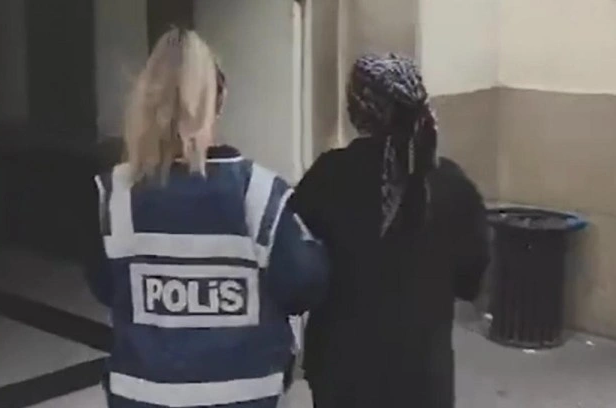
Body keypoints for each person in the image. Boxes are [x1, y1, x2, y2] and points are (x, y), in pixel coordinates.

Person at [83, 28, 328, 408]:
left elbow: (104, 285)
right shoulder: (258, 191)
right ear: (220, 97)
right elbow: (302, 285)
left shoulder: (116, 193)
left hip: (141, 397)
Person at [288, 54, 489, 408]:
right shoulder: (453, 184)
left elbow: (298, 273)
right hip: (424, 380)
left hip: (342, 376)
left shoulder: (327, 178)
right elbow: (470, 282)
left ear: (356, 110)